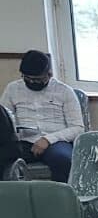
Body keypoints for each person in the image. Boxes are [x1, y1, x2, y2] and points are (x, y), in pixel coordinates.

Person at [0, 50, 85, 183]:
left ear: (49, 74)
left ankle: (61, 195)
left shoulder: (64, 91)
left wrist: (47, 139)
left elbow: (78, 128)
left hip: (56, 142)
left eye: (37, 80)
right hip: (23, 141)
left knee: (63, 160)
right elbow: (4, 120)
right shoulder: (12, 89)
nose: (32, 82)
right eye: (28, 79)